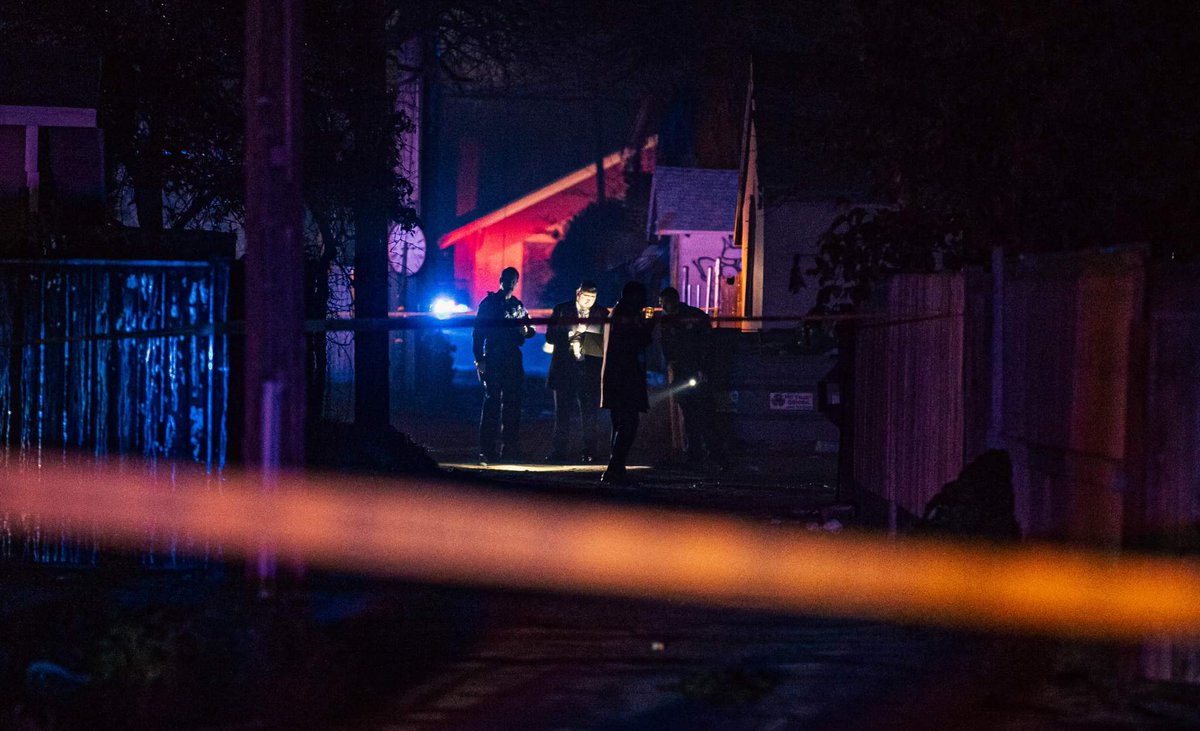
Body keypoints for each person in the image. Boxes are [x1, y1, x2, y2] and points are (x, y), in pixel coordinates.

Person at [473, 267, 535, 463]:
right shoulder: (490, 303)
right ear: (501, 280)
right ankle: (488, 450)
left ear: (515, 283)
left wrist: (525, 329)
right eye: (507, 279)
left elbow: (530, 329)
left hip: (512, 357)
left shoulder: (517, 305)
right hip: (495, 356)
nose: (509, 283)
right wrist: (480, 359)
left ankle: (509, 448)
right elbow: (478, 333)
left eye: (513, 280)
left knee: (512, 403)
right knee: (492, 402)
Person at [659, 286, 725, 469]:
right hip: (683, 373)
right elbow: (667, 346)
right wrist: (672, 362)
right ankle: (696, 455)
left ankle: (714, 455)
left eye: (663, 303)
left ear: (671, 301)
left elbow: (707, 345)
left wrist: (703, 368)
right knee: (690, 416)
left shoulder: (693, 317)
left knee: (705, 415)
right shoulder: (668, 320)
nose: (661, 306)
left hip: (697, 372)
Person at [545, 281, 607, 463]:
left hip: (588, 371)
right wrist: (568, 336)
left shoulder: (601, 313)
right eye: (586, 297)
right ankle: (559, 451)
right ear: (578, 293)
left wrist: (586, 339)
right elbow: (550, 336)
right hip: (565, 369)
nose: (589, 301)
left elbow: (604, 342)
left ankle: (589, 451)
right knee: (562, 413)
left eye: (592, 298)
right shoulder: (562, 310)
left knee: (589, 414)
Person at [600, 281, 655, 484]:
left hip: (617, 378)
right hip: (625, 378)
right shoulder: (624, 317)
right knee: (629, 423)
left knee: (619, 424)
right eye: (641, 298)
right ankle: (615, 466)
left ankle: (616, 467)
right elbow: (635, 343)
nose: (643, 303)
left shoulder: (616, 313)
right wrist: (647, 327)